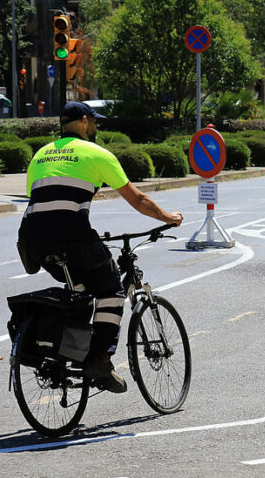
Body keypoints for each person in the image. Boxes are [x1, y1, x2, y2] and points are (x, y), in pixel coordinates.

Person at [17, 101, 183, 393]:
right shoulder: (96, 153)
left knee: (80, 291)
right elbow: (138, 200)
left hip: (34, 240)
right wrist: (168, 217)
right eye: (94, 121)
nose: (96, 126)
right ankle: (99, 361)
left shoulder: (41, 154)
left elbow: (44, 198)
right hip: (71, 234)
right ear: (83, 121)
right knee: (111, 291)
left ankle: (66, 351)